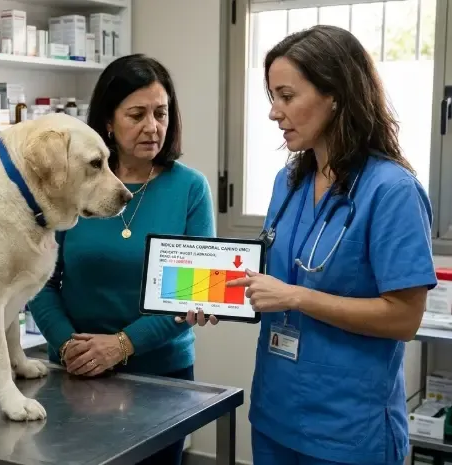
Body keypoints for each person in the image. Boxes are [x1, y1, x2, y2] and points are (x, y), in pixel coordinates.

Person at [181, 25, 437, 465]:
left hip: (347, 428)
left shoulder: (392, 190)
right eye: (271, 98)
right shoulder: (289, 181)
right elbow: (277, 281)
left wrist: (297, 297)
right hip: (276, 413)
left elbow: (405, 318)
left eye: (286, 95)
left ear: (335, 94)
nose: (274, 113)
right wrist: (213, 297)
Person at [27, 53, 216, 465]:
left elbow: (192, 295)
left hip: (161, 377)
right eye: (137, 114)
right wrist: (67, 346)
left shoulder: (190, 189)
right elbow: (39, 279)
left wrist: (121, 345)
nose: (153, 127)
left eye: (161, 113)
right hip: (74, 370)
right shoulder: (69, 184)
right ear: (108, 122)